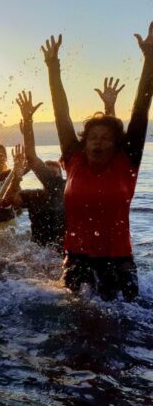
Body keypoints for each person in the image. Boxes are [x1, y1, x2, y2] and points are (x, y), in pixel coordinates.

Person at [41, 22, 153, 301]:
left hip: (120, 260)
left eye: (105, 138)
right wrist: (53, 68)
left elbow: (141, 108)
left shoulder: (126, 162)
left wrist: (150, 58)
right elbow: (61, 114)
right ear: (84, 142)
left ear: (116, 145)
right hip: (77, 259)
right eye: (93, 137)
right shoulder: (74, 158)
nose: (98, 142)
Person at [2, 92, 66, 249]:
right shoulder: (33, 196)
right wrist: (16, 176)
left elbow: (32, 157)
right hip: (37, 252)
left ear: (61, 175)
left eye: (54, 171)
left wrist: (28, 122)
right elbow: (6, 201)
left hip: (59, 251)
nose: (50, 173)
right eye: (47, 170)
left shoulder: (68, 191)